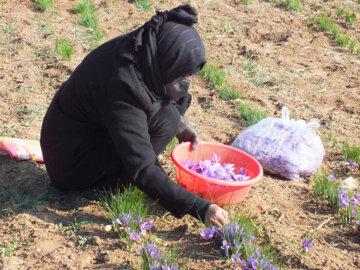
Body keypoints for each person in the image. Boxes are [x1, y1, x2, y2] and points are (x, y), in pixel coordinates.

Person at [40, 4, 228, 227]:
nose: (185, 81)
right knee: (165, 123)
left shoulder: (145, 47)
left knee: (170, 116)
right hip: (71, 162)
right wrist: (200, 207)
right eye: (180, 73)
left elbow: (158, 102)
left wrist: (181, 122)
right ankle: (111, 183)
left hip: (91, 134)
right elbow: (143, 168)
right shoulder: (121, 84)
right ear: (165, 59)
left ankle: (122, 172)